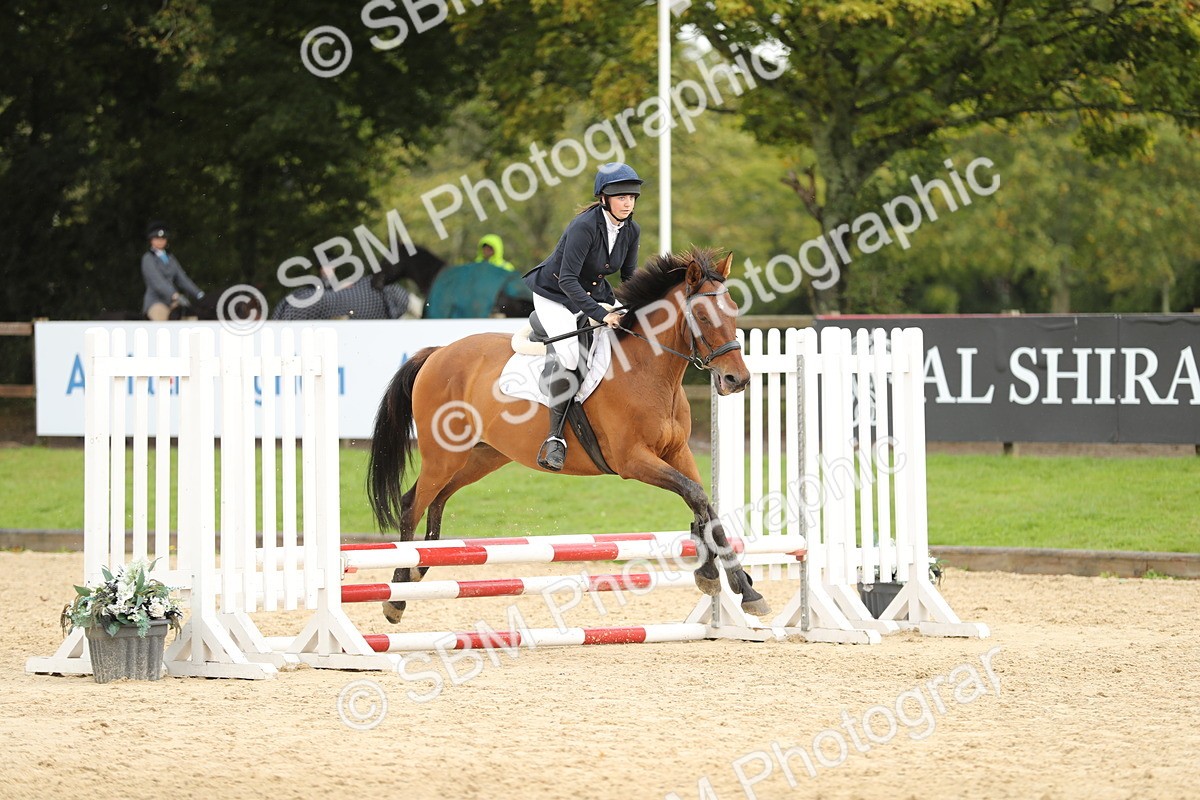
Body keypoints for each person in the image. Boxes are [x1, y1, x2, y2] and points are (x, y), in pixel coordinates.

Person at [521, 162, 642, 471]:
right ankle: (554, 439)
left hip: (592, 293)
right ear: (604, 198)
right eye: (620, 197)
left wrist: (639, 309)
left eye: (631, 196)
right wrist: (601, 314)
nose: (627, 202)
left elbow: (629, 278)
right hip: (555, 295)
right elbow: (567, 279)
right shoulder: (584, 226)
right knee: (572, 357)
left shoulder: (631, 229)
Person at [141, 222, 205, 321]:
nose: (160, 241)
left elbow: (182, 278)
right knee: (162, 322)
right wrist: (174, 295)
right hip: (156, 301)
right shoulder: (148, 258)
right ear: (151, 240)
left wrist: (199, 294)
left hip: (173, 302)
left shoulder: (170, 258)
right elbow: (158, 282)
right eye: (157, 238)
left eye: (163, 239)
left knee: (191, 318)